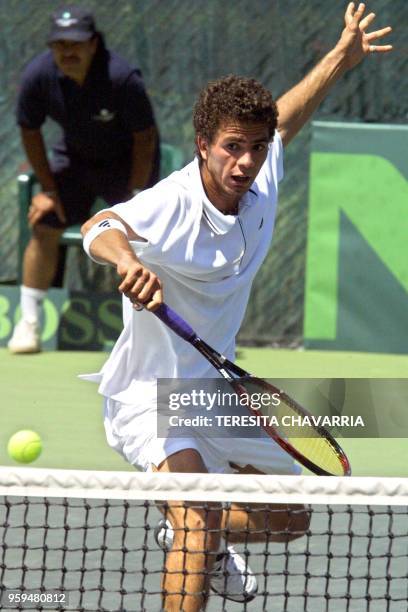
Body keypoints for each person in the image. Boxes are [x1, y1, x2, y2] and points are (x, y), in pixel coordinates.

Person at [80, 4, 392, 611]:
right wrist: (127, 260)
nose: (244, 161)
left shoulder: (260, 169)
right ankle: (198, 530)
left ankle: (205, 529)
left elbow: (289, 116)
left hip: (216, 388)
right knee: (196, 523)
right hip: (151, 395)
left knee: (292, 518)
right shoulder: (173, 203)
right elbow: (100, 225)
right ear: (203, 147)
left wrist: (339, 57)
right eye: (230, 148)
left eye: (254, 147)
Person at [8, 6, 160, 354]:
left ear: (93, 44)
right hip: (74, 162)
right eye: (59, 44)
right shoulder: (38, 76)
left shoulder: (122, 77)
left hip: (127, 166)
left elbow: (145, 137)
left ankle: (151, 329)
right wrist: (48, 189)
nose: (68, 52)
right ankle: (28, 324)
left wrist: (136, 195)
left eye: (75, 43)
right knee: (44, 223)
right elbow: (29, 130)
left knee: (142, 239)